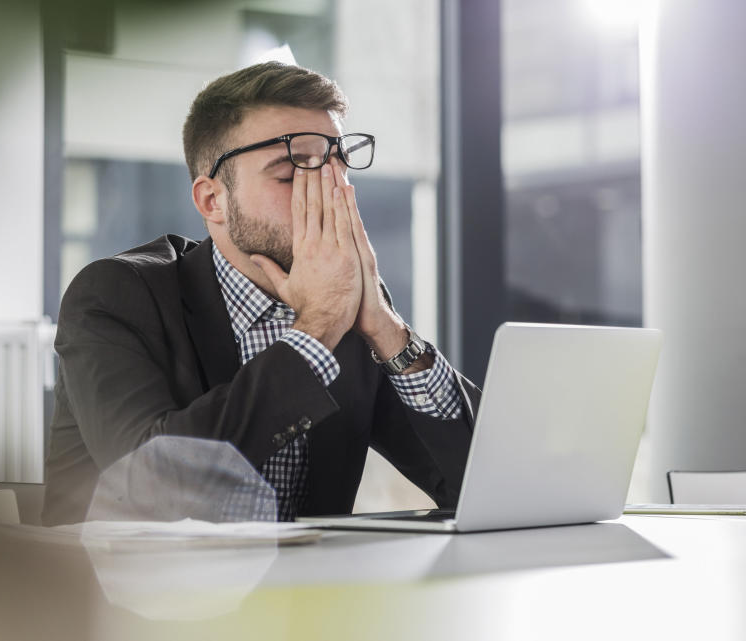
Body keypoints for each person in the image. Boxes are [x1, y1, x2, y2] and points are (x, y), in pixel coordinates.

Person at [41, 62, 480, 526]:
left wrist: (389, 334)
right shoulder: (114, 295)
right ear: (213, 201)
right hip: (116, 593)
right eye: (293, 174)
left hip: (303, 593)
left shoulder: (348, 304)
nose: (330, 194)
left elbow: (478, 481)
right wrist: (315, 332)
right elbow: (155, 488)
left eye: (337, 168)